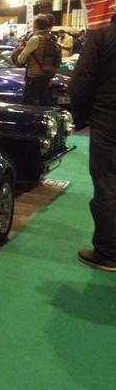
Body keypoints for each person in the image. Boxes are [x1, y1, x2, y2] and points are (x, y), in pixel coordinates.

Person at [69, 21, 116, 271]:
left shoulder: (102, 37)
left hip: (109, 123)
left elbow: (81, 80)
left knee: (108, 187)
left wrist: (80, 118)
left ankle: (108, 253)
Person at [16, 14, 57, 106]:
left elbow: (21, 58)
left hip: (34, 76)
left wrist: (19, 56)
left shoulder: (35, 38)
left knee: (27, 103)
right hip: (46, 74)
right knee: (44, 102)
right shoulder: (49, 38)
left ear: (35, 25)